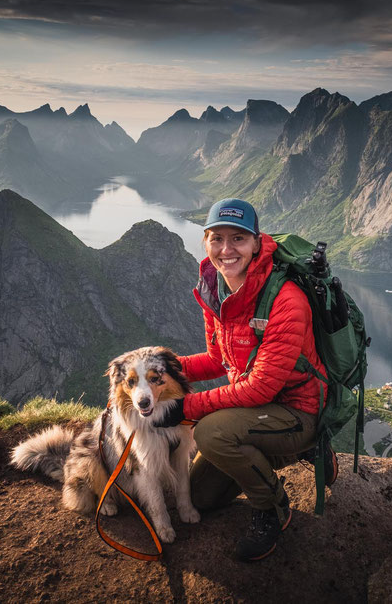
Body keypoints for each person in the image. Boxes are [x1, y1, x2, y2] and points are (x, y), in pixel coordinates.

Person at [155, 197, 333, 561]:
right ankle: (288, 454)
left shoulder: (285, 299)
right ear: (205, 241)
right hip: (257, 410)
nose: (226, 249)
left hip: (297, 409)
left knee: (211, 432)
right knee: (202, 497)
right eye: (217, 238)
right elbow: (219, 359)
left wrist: (185, 407)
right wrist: (159, 372)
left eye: (238, 238)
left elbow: (262, 387)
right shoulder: (215, 291)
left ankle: (273, 506)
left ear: (256, 243)